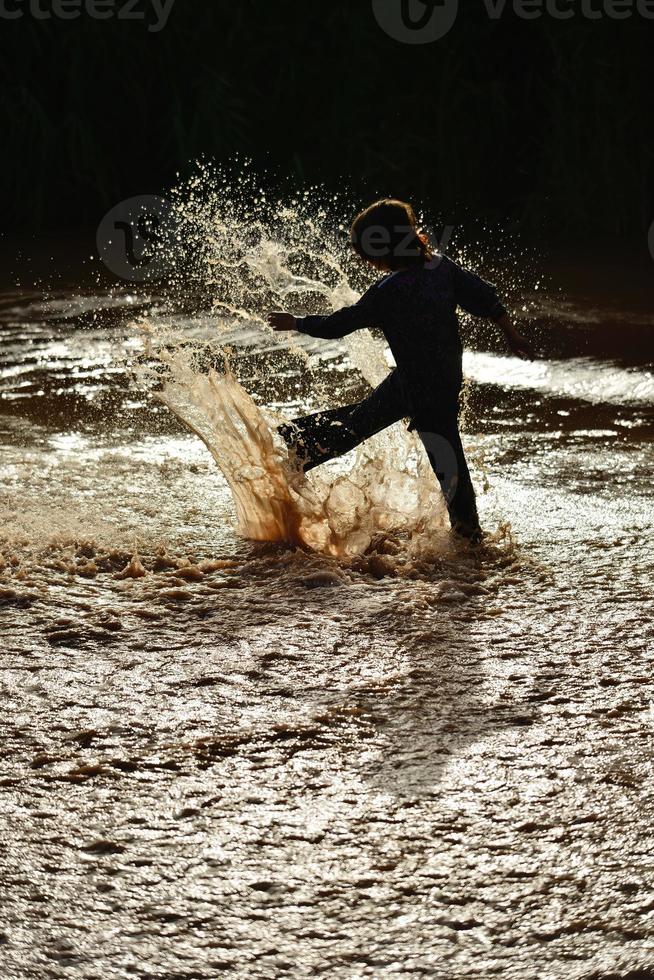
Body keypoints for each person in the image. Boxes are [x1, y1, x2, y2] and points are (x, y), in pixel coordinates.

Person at [268, 199, 535, 543]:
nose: (367, 261)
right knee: (445, 459)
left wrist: (298, 323)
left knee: (381, 435)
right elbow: (485, 297)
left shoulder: (388, 291)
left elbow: (340, 324)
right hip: (437, 380)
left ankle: (295, 447)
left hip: (418, 389)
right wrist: (511, 334)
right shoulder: (440, 269)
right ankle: (469, 536)